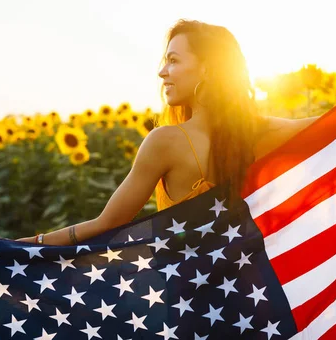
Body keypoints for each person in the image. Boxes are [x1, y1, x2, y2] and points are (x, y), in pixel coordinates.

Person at [16, 19, 319, 245]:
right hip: (255, 303)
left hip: (191, 306)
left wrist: (20, 247)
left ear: (207, 70)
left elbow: (106, 224)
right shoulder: (265, 130)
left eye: (173, 61)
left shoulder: (166, 141)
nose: (162, 72)